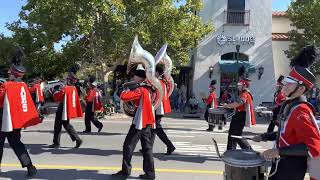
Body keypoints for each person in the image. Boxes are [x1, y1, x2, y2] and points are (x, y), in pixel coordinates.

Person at [252, 46, 320, 180]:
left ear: (300, 89)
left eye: (289, 83)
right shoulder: (291, 105)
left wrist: (278, 151)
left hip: (291, 169)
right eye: (286, 82)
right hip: (282, 165)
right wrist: (265, 136)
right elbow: (287, 134)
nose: (284, 86)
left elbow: (312, 147)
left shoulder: (301, 111)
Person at [0, 48, 40, 176]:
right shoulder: (23, 85)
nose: (8, 72)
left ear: (13, 73)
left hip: (3, 119)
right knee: (17, 143)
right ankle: (30, 166)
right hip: (15, 121)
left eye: (10, 71)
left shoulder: (6, 85)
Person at [112, 66, 156, 179]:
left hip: (140, 121)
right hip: (147, 120)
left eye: (135, 75)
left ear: (140, 77)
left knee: (128, 146)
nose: (133, 77)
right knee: (147, 148)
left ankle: (125, 172)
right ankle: (150, 173)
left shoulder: (141, 89)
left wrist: (121, 89)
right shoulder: (148, 88)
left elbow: (124, 97)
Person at [49, 67, 83, 148]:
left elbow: (58, 97)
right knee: (66, 124)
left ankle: (56, 143)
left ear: (69, 79)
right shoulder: (73, 88)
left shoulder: (66, 88)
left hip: (63, 107)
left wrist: (53, 92)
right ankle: (77, 139)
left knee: (58, 125)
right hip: (67, 108)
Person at [223, 78, 256, 150]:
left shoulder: (245, 94)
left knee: (236, 135)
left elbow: (238, 103)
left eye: (240, 85)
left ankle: (249, 150)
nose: (238, 86)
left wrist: (227, 106)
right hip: (238, 115)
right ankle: (231, 150)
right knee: (232, 134)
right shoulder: (242, 93)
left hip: (240, 116)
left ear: (244, 86)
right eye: (238, 85)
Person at [149, 66, 175, 155]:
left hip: (158, 108)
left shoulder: (158, 82)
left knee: (157, 128)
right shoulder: (162, 82)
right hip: (158, 107)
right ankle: (148, 147)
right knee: (153, 128)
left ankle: (170, 145)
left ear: (157, 73)